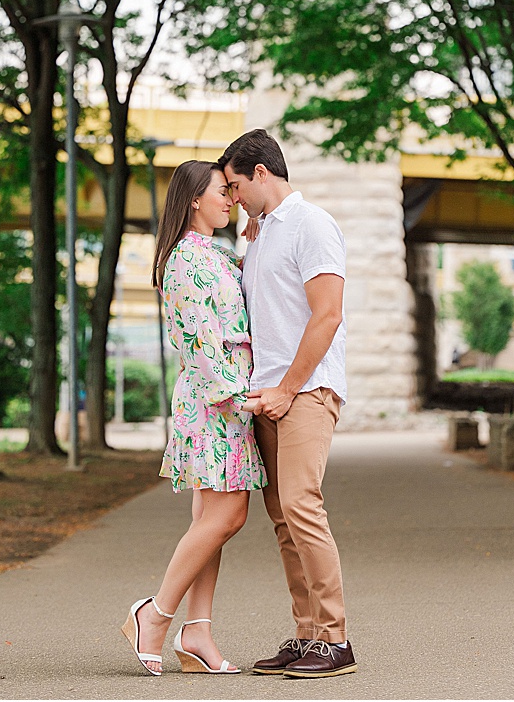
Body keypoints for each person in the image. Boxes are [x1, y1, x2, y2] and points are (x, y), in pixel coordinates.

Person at [219, 129, 356, 679]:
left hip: (305, 390)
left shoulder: (312, 224)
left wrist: (287, 389)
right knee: (282, 519)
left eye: (233, 186)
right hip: (268, 394)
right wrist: (265, 391)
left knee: (302, 505)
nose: (230, 199)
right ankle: (307, 635)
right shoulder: (257, 237)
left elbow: (327, 315)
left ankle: (336, 637)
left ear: (259, 173)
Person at [120, 160, 265, 676]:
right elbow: (199, 341)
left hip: (228, 403)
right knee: (227, 517)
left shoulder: (217, 256)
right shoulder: (186, 259)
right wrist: (235, 398)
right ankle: (154, 616)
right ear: (193, 200)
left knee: (213, 522)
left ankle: (197, 631)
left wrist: (254, 235)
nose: (231, 199)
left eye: (232, 191)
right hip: (215, 405)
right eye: (222, 192)